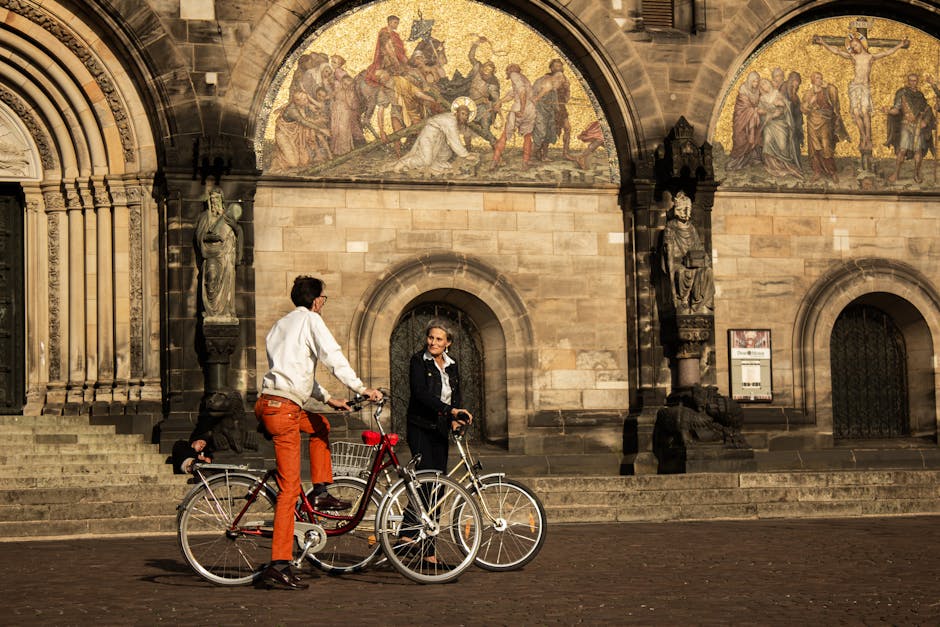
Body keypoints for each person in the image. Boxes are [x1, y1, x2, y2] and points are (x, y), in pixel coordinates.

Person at [254, 275, 383, 590]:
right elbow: (332, 356)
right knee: (288, 492)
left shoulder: (280, 326)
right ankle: (279, 564)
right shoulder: (311, 320)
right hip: (284, 411)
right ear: (316, 300)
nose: (324, 303)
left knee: (321, 425)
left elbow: (296, 373)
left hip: (271, 404)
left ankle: (321, 492)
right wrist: (361, 388)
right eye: (324, 298)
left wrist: (328, 399)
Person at [813, 32, 908, 161]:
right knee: (856, 112)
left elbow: (887, 52)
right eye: (852, 47)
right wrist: (823, 42)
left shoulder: (870, 57)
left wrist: (900, 44)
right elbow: (837, 52)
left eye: (856, 45)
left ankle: (868, 138)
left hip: (864, 88)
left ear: (861, 44)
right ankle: (863, 136)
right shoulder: (853, 57)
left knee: (864, 111)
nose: (854, 48)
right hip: (854, 87)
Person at [406, 318, 473, 474]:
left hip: (441, 427)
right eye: (430, 337)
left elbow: (455, 394)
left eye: (438, 339)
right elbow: (420, 394)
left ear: (447, 343)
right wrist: (451, 411)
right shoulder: (418, 361)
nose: (433, 342)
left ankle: (434, 500)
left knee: (440, 477)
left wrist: (455, 420)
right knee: (426, 476)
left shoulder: (452, 364)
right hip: (420, 427)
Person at [660, 191, 714, 315]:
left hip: (693, 262)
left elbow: (699, 247)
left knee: (707, 271)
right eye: (683, 209)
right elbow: (668, 253)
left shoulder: (691, 228)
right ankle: (683, 299)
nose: (685, 212)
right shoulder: (671, 227)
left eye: (687, 209)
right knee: (683, 273)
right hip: (679, 263)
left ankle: (698, 303)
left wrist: (705, 258)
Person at [390, 103, 476, 174]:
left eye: (466, 115)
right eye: (463, 114)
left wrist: (468, 150)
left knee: (446, 153)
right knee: (426, 160)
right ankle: (403, 163)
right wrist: (465, 155)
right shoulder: (451, 122)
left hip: (439, 137)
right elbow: (454, 140)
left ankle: (432, 166)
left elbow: (466, 133)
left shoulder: (457, 121)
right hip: (429, 135)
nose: (464, 117)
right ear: (457, 113)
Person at [194, 185, 239, 320]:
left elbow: (237, 233)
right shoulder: (205, 217)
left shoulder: (228, 217)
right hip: (211, 255)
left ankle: (226, 312)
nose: (215, 203)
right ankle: (212, 311)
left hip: (227, 256)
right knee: (211, 278)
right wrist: (211, 237)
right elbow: (199, 236)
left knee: (228, 283)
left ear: (222, 201)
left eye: (217, 200)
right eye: (212, 200)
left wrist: (235, 228)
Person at [883, 73, 936, 184]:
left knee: (918, 151)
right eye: (911, 80)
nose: (913, 82)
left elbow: (927, 109)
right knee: (902, 150)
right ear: (908, 81)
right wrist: (888, 110)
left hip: (917, 126)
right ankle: (896, 174)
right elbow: (896, 109)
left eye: (915, 80)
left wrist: (925, 121)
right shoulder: (902, 93)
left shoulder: (920, 95)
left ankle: (916, 174)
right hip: (906, 124)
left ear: (917, 82)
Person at [801, 71, 848, 182]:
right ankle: (817, 171)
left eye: (821, 78)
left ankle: (832, 172)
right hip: (812, 122)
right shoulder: (808, 94)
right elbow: (803, 109)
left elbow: (835, 97)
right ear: (812, 80)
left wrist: (829, 86)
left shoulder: (827, 91)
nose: (820, 80)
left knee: (826, 146)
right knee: (814, 148)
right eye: (817, 78)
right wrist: (810, 103)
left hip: (825, 121)